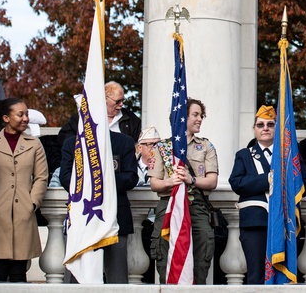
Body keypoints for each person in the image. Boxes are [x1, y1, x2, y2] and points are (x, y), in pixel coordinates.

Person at [229, 105, 306, 284]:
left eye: (270, 124)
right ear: (254, 129)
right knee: (256, 276)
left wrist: (288, 179)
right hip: (255, 223)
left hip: (284, 222)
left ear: (277, 128)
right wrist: (268, 178)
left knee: (284, 277)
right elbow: (237, 183)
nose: (265, 128)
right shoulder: (244, 155)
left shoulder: (290, 156)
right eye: (260, 125)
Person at [60, 117, 138, 283]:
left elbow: (131, 177)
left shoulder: (124, 142)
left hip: (115, 218)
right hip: (82, 219)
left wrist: (103, 182)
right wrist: (91, 185)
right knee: (77, 279)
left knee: (117, 280)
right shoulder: (71, 144)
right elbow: (66, 178)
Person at [149, 98, 219, 284]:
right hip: (168, 207)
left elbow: (212, 181)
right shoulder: (162, 147)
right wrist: (169, 182)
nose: (199, 119)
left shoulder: (206, 146)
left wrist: (192, 179)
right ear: (182, 117)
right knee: (166, 255)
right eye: (195, 115)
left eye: (200, 116)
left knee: (201, 252)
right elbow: (154, 183)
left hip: (196, 206)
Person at [0, 98, 49, 282]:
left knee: (19, 273)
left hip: (23, 214)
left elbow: (41, 177)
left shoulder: (35, 144)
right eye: (20, 114)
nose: (26, 118)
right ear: (6, 118)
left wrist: (32, 203)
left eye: (26, 114)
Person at [59, 81, 142, 148]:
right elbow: (64, 138)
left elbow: (139, 143)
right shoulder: (84, 117)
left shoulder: (131, 119)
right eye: (117, 101)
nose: (121, 104)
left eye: (123, 100)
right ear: (104, 99)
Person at [136, 126, 162, 283]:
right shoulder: (130, 166)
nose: (154, 148)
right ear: (140, 147)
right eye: (150, 144)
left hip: (158, 222)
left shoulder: (167, 166)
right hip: (138, 223)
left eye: (157, 144)